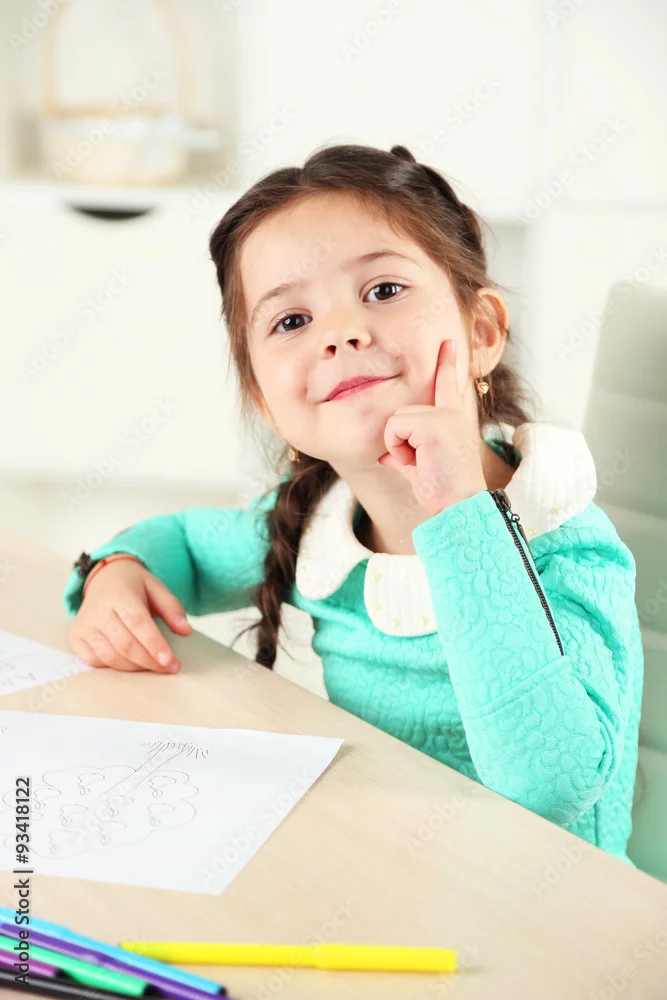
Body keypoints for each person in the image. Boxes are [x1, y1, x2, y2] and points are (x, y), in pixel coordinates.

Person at [63, 143, 644, 864]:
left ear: (481, 333)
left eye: (383, 290)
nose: (341, 333)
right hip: (385, 881)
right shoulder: (315, 528)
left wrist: (458, 509)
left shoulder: (567, 544)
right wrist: (115, 572)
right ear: (266, 402)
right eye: (290, 321)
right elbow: (181, 544)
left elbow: (547, 785)